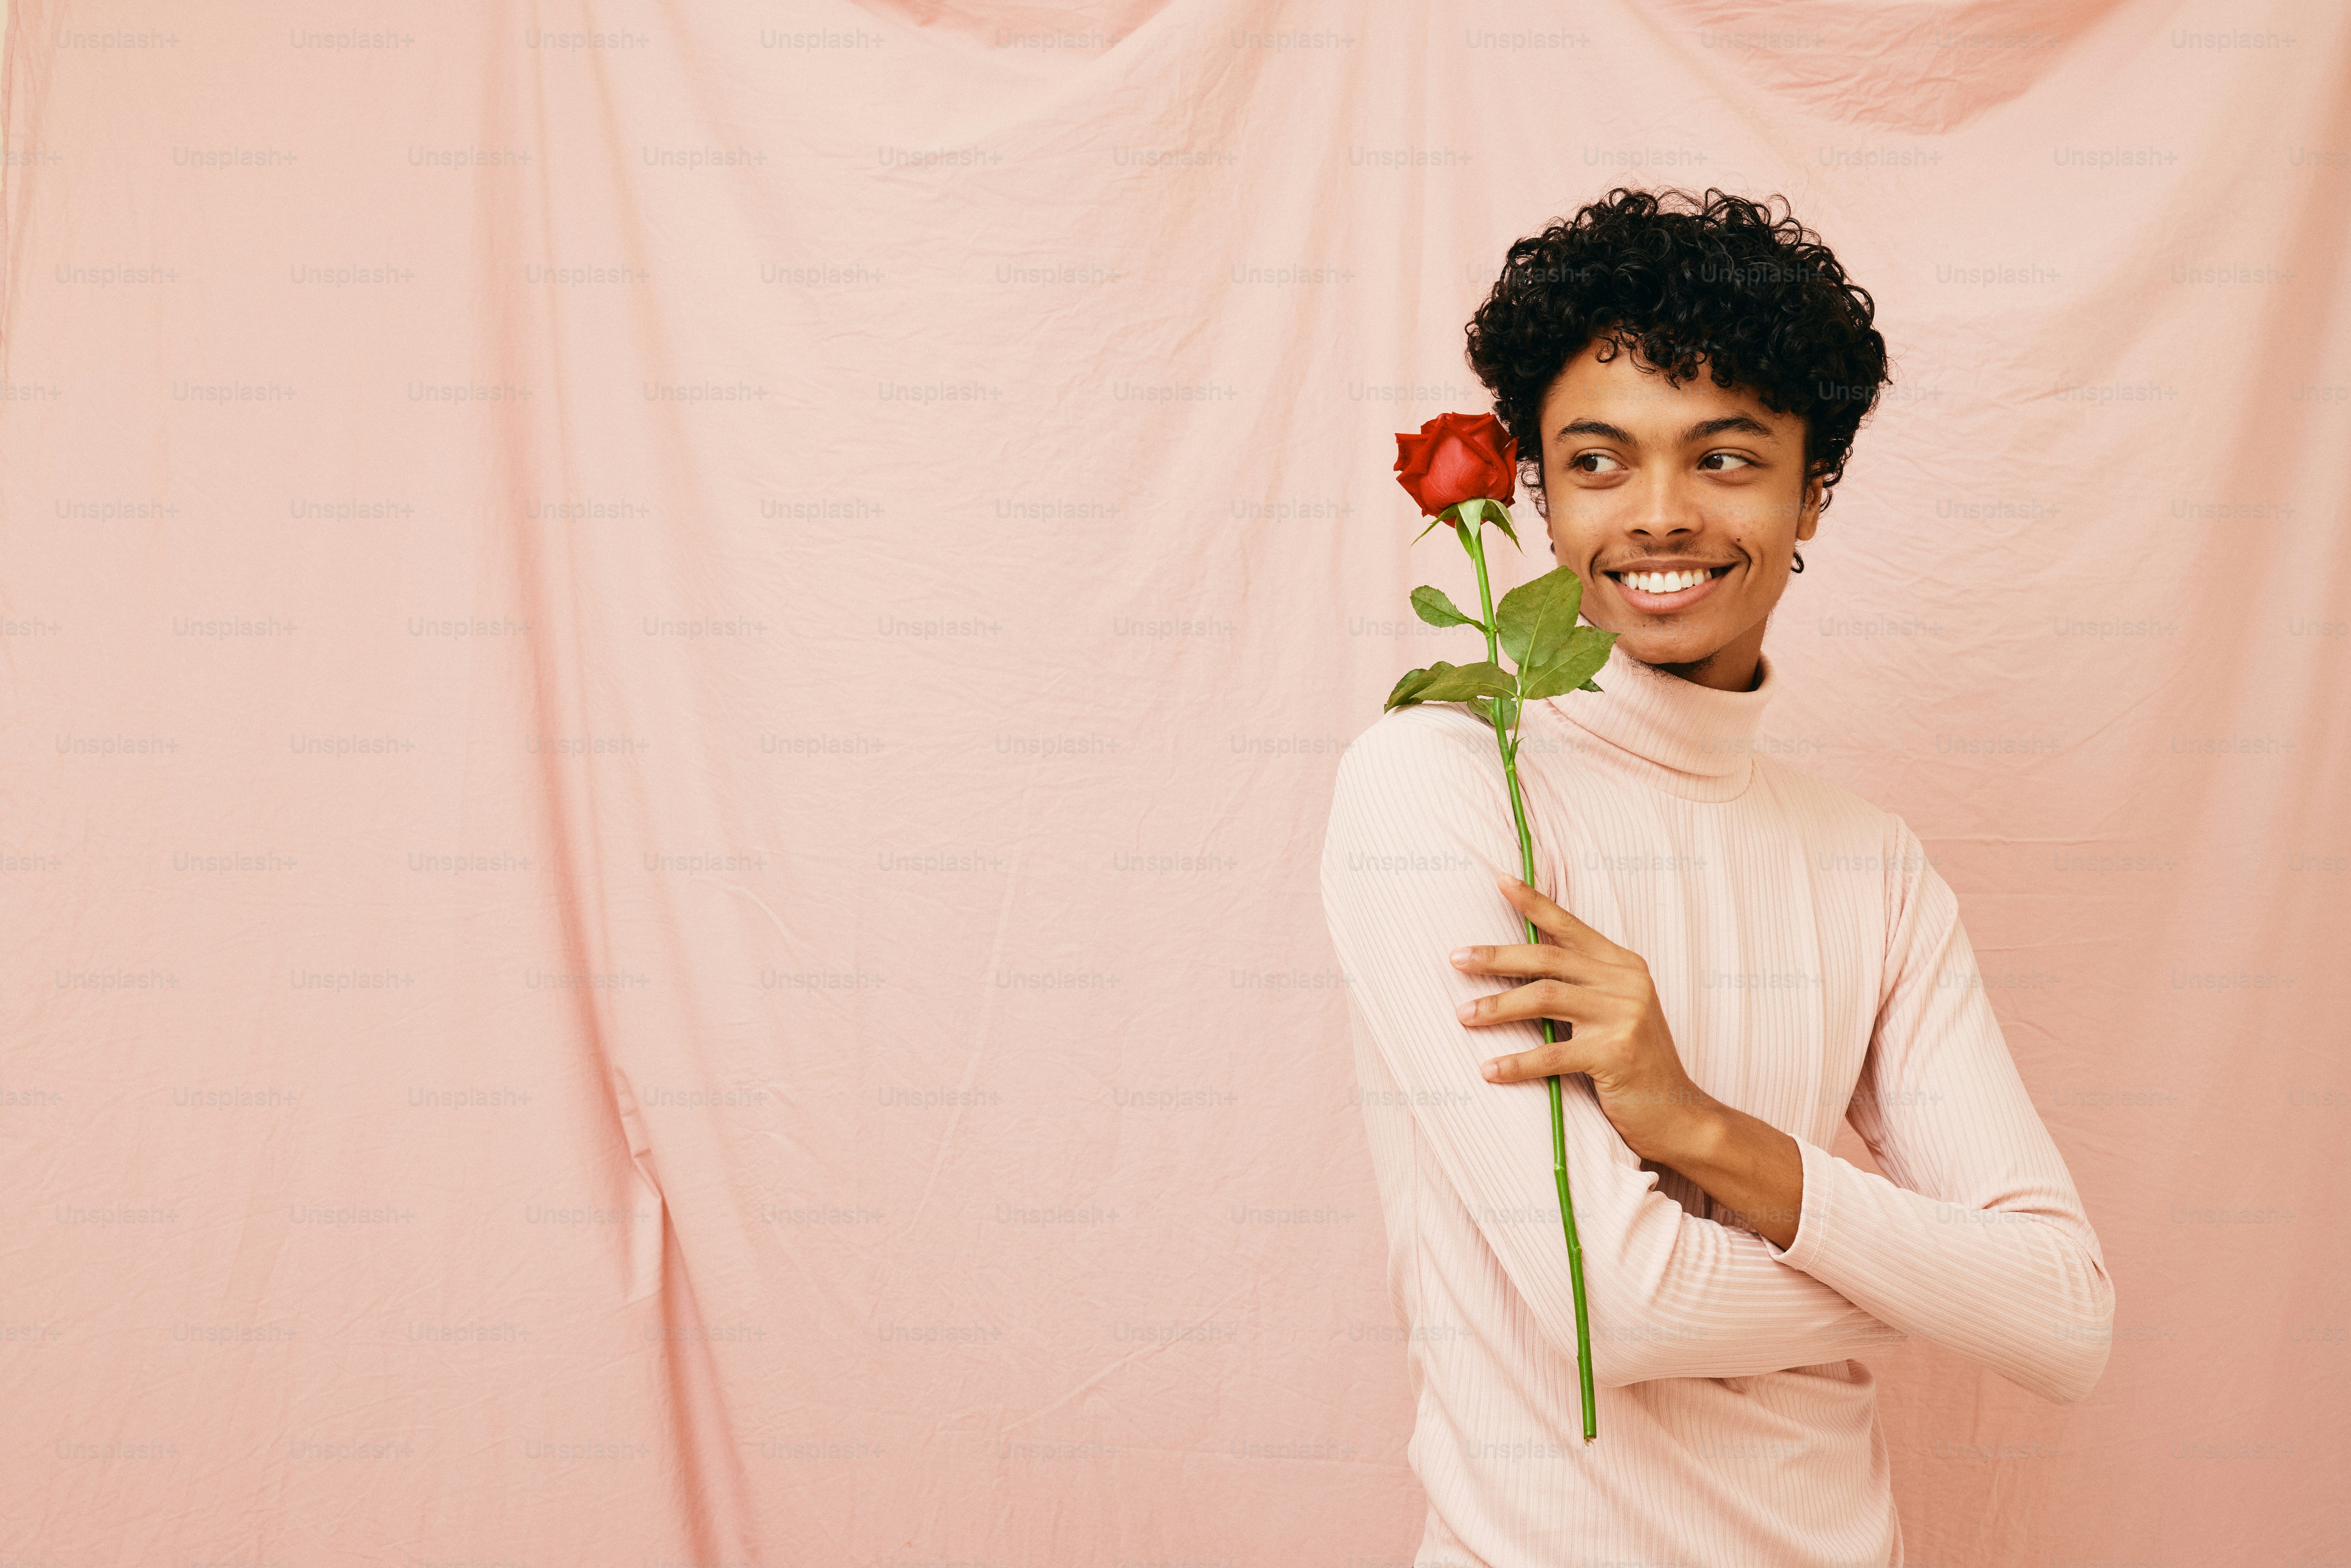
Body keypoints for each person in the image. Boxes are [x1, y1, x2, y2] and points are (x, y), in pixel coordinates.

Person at [1319, 187, 2114, 1567]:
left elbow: (2068, 1318)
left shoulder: (1871, 865)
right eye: (1598, 461)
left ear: (1813, 486)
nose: (1660, 516)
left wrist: (1691, 1123)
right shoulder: (1442, 790)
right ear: (1536, 491)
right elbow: (1618, 1305)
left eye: (1727, 458)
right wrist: (1938, 1283)